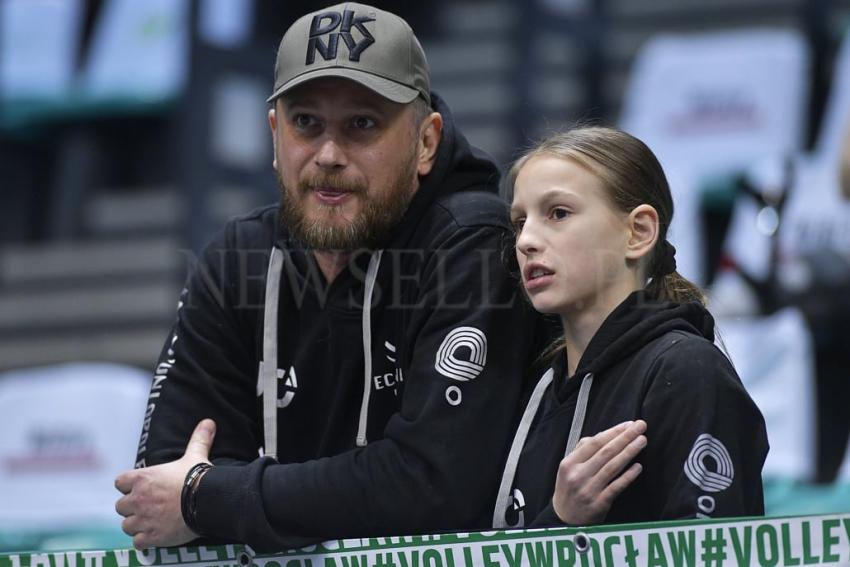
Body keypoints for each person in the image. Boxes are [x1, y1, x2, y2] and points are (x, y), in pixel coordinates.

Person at [114, 3, 551, 551]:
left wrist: (212, 498)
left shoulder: (471, 245)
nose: (327, 154)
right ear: (275, 135)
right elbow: (164, 483)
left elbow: (435, 490)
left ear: (426, 142)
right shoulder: (238, 257)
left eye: (361, 125)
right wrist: (212, 495)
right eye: (306, 123)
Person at [492, 126, 768, 529]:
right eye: (519, 222)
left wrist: (564, 526)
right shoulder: (536, 387)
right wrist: (561, 519)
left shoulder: (687, 373)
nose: (526, 241)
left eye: (558, 213)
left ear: (638, 232)